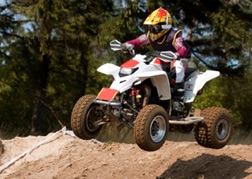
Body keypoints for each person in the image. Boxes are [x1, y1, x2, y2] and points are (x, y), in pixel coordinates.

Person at [123, 7, 191, 113]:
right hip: (160, 58)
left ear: (165, 25)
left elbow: (183, 48)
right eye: (153, 26)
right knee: (144, 64)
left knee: (177, 67)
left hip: (179, 58)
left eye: (157, 25)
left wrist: (176, 54)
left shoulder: (174, 35)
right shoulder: (151, 35)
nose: (154, 28)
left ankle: (178, 101)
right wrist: (127, 44)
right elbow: (138, 41)